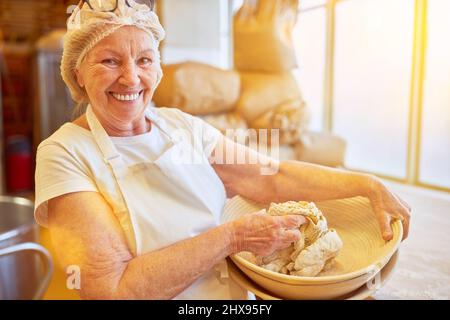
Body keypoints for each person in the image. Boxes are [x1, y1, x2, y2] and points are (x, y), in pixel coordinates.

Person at [34, 0, 410, 300]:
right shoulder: (64, 154)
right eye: (110, 61)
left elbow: (272, 176)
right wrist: (233, 237)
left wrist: (366, 184)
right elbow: (111, 290)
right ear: (78, 72)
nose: (131, 78)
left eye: (145, 60)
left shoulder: (182, 127)